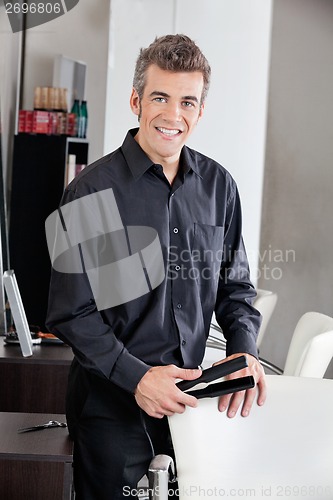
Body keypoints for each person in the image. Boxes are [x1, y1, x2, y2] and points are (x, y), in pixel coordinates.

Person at [46, 34, 266, 499]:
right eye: (160, 97)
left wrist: (242, 351)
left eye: (187, 101)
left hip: (192, 403)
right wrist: (138, 378)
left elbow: (235, 289)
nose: (173, 115)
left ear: (200, 111)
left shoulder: (218, 186)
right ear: (135, 101)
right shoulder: (90, 192)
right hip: (110, 406)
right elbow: (71, 313)